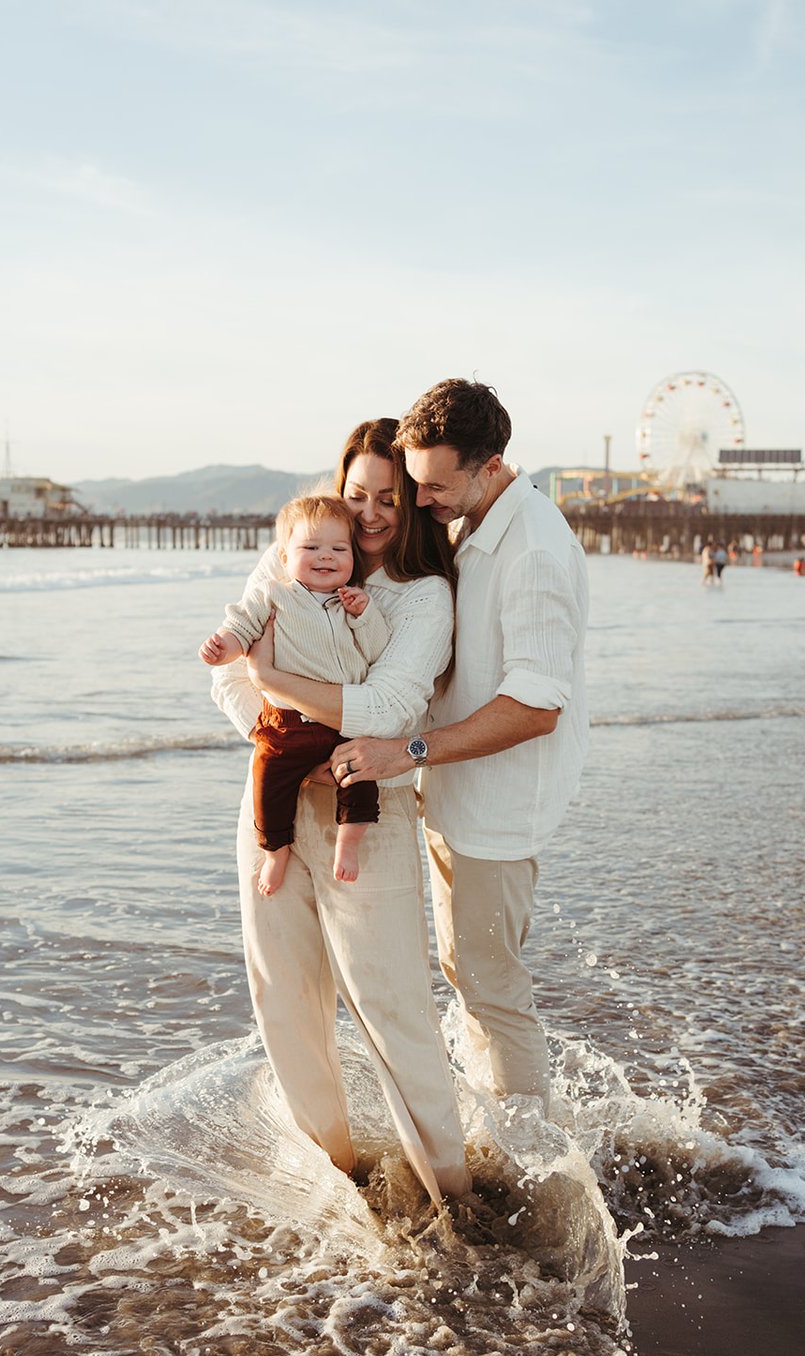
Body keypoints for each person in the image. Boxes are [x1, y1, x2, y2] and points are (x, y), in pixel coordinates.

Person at [210, 418, 471, 1205]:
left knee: (393, 1011)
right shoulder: (294, 554)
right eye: (357, 493)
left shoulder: (422, 595)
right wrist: (288, 742)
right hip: (276, 804)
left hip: (371, 820)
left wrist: (281, 687)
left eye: (388, 498)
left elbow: (390, 705)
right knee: (283, 998)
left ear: (413, 503)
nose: (367, 514)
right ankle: (335, 1182)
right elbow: (228, 677)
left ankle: (452, 1195)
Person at [331, 379, 589, 1115]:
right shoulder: (474, 524)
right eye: (413, 483)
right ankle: (495, 1117)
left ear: (492, 464)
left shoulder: (532, 548)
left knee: (491, 984)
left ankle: (532, 1158)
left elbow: (538, 706)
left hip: (499, 804)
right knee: (468, 969)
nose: (418, 501)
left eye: (434, 486)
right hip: (457, 790)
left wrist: (404, 750)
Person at [199, 494, 388, 894]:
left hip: (342, 720)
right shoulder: (274, 594)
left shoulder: (349, 603)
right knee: (269, 782)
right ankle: (275, 852)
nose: (326, 557)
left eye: (339, 549)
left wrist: (365, 616)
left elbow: (376, 650)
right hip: (287, 725)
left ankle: (348, 842)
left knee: (360, 779)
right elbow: (243, 627)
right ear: (284, 557)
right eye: (311, 548)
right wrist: (224, 647)